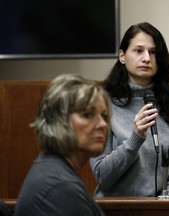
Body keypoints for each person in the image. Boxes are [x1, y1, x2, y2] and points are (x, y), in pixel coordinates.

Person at [90, 22, 169, 197]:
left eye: (153, 52)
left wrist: (162, 208)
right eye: (138, 51)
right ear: (122, 56)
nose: (146, 58)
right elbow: (102, 175)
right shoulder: (102, 106)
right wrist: (135, 138)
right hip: (114, 208)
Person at [14, 74, 110, 216]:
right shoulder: (59, 187)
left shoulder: (52, 170)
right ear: (59, 119)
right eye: (88, 115)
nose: (102, 124)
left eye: (104, 116)